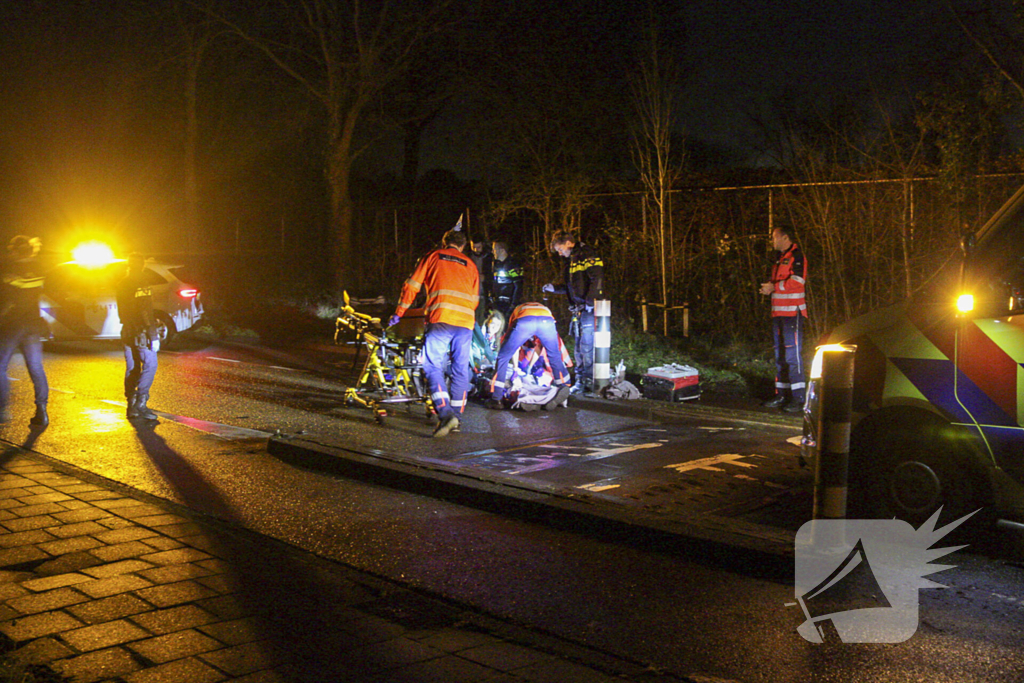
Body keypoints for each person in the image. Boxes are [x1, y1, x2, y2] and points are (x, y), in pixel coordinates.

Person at [389, 229, 479, 437]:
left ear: (444, 241)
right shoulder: (471, 264)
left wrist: (399, 312)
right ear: (463, 246)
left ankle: (446, 414)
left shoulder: (433, 256)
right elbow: (474, 299)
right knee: (459, 370)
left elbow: (411, 286)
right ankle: (456, 417)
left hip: (441, 319)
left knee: (432, 366)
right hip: (466, 323)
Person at [542, 230, 603, 394]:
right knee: (578, 347)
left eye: (560, 249)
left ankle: (590, 383)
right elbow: (571, 288)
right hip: (578, 309)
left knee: (587, 347)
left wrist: (591, 302)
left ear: (569, 242)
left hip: (588, 308)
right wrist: (554, 288)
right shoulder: (571, 261)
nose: (560, 254)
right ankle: (581, 380)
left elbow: (597, 278)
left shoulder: (586, 254)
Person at [0, 236, 49, 427]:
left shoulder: (10, 271)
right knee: (36, 368)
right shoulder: (39, 269)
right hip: (33, 324)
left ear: (15, 251)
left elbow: (9, 301)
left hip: (13, 325)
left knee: (1, 366)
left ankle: (2, 412)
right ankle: (42, 411)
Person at [486, 302, 571, 411]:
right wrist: (528, 367)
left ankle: (496, 399)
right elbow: (539, 347)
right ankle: (564, 390)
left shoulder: (517, 312)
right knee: (555, 357)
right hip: (547, 322)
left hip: (525, 321)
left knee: (503, 357)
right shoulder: (543, 309)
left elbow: (513, 347)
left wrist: (517, 367)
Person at [759, 225, 807, 413]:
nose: (772, 241)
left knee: (792, 356)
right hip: (778, 314)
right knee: (780, 356)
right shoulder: (780, 258)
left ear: (785, 238)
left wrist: (773, 287)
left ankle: (799, 398)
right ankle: (782, 395)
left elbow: (797, 282)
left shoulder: (797, 256)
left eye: (774, 237)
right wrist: (769, 287)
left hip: (791, 314)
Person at [117, 252, 161, 421]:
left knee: (133, 367)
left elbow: (122, 311)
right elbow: (144, 310)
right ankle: (141, 403)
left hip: (127, 331)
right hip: (141, 332)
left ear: (129, 265)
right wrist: (153, 335)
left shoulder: (122, 283)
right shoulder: (142, 282)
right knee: (150, 364)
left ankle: (131, 405)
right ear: (142, 265)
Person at [489, 241, 523, 319]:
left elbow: (519, 286)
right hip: (497, 304)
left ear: (502, 251)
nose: (492, 252)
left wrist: (513, 305)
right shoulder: (496, 265)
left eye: (494, 249)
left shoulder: (513, 264)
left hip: (508, 305)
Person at [468, 239, 492, 327]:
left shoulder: (489, 257)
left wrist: (486, 278)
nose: (476, 250)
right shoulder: (468, 257)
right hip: (470, 294)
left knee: (482, 319)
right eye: (473, 247)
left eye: (478, 247)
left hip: (483, 294)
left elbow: (493, 274)